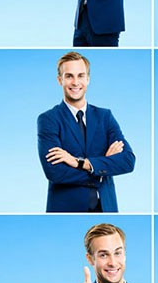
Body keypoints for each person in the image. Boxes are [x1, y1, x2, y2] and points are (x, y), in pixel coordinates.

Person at [37, 50, 135, 213]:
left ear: (88, 79)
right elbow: (55, 172)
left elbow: (128, 161)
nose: (75, 82)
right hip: (67, 209)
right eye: (69, 76)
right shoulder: (49, 119)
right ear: (59, 80)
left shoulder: (105, 116)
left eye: (80, 75)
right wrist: (102, 168)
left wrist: (79, 163)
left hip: (106, 207)